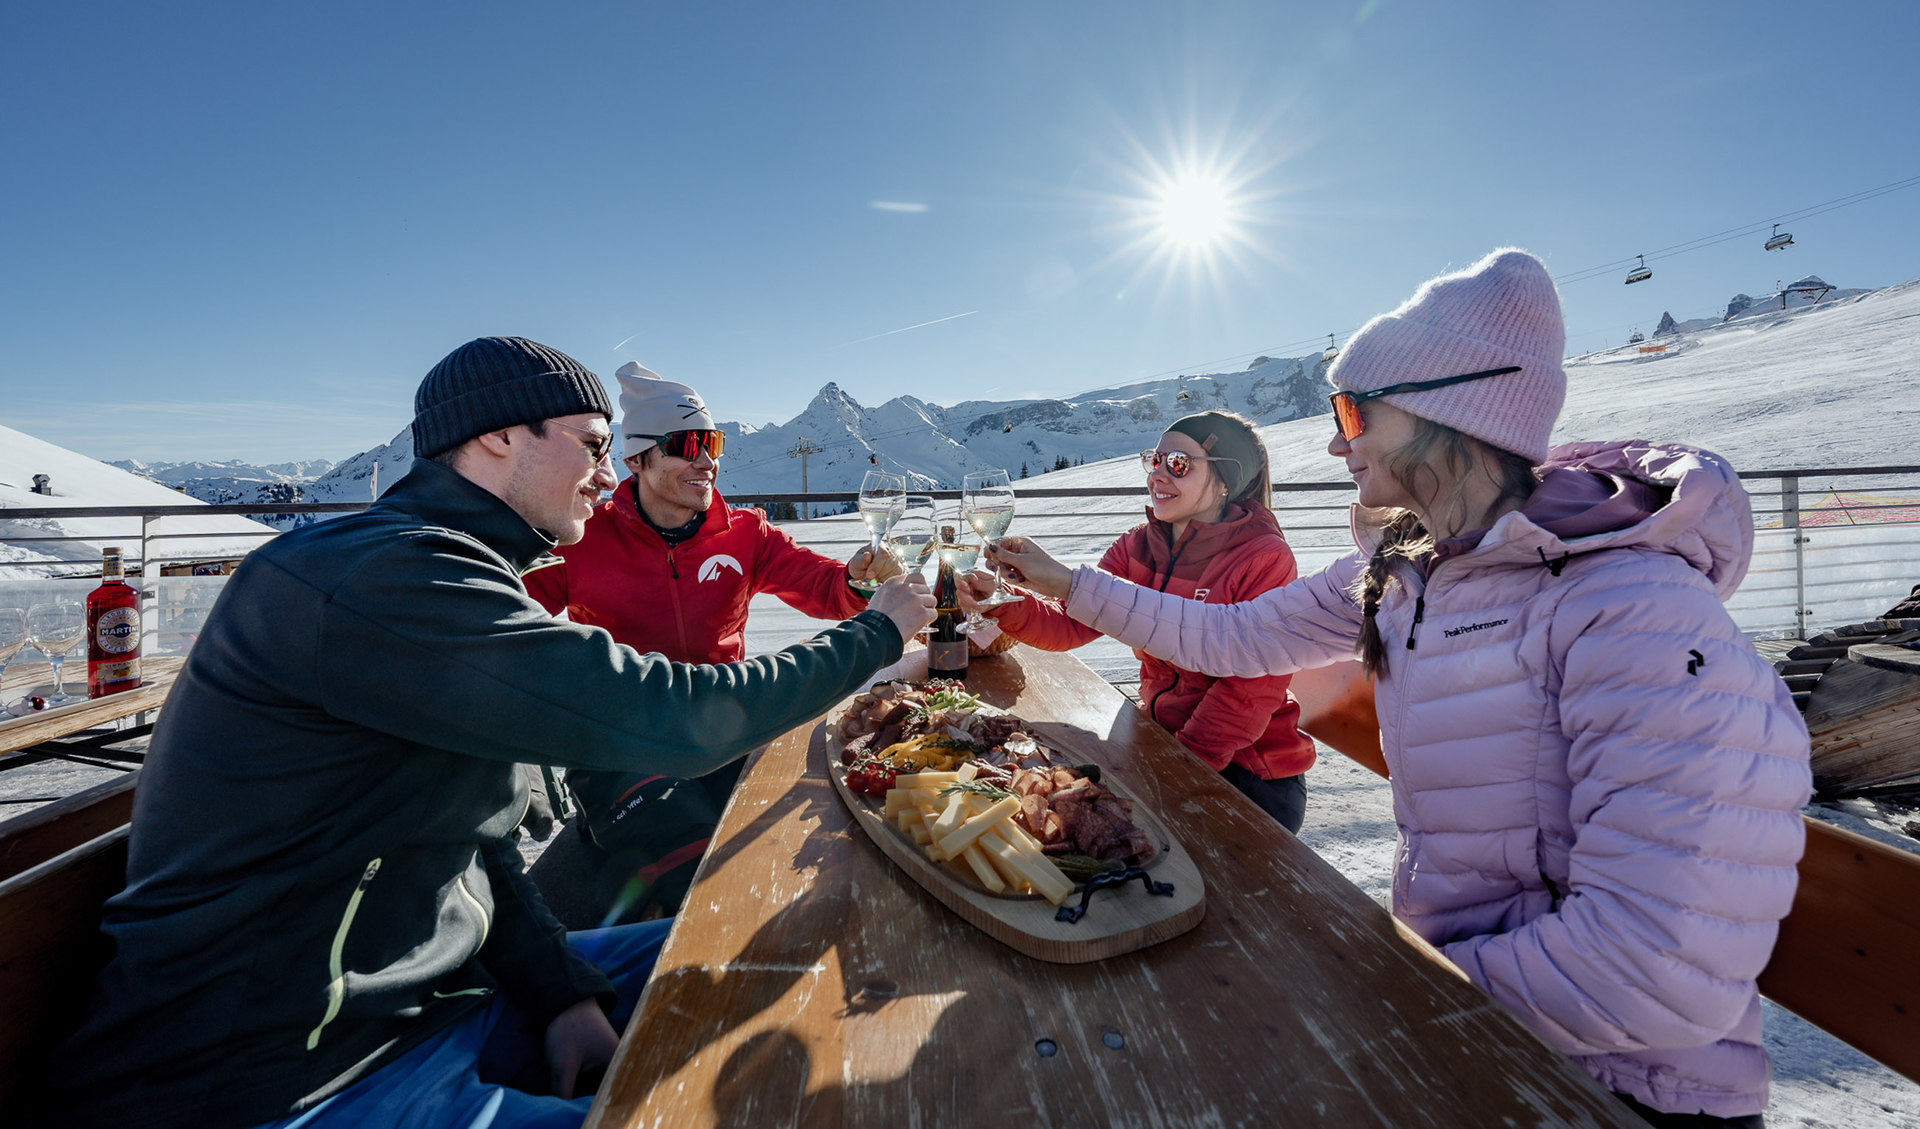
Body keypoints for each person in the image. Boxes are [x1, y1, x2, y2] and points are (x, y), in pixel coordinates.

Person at [985, 251, 1810, 1128]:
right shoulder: (1414, 568)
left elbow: (1655, 970)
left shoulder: (1633, 609)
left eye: (1352, 411)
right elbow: (1235, 635)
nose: (1336, 442)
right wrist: (1064, 582)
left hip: (1617, 1086)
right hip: (1467, 1023)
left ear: (1444, 409)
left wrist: (1379, 985)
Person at [40, 337, 935, 1129]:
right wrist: (876, 635)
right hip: (285, 1075)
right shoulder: (385, 579)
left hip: (434, 997)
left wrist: (557, 990)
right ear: (501, 436)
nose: (605, 473)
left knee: (791, 951)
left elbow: (464, 828)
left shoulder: (453, 564)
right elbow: (670, 716)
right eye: (592, 445)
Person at [523, 361, 897, 921]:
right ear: (637, 460)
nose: (706, 461)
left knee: (816, 833)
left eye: (713, 443)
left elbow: (825, 588)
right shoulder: (580, 538)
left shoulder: (746, 533)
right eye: (686, 446)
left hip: (723, 727)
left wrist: (858, 580)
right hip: (621, 742)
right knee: (696, 873)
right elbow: (508, 618)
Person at [958, 411, 1314, 831]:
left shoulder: (1262, 558)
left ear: (1225, 481)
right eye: (1155, 460)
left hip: (1248, 773)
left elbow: (1246, 694)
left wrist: (1173, 770)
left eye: (1178, 463)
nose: (1157, 475)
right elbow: (1071, 623)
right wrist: (1001, 601)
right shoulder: (1138, 546)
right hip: (1163, 744)